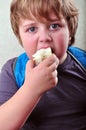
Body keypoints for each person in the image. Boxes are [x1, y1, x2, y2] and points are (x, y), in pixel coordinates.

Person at [0, 0, 86, 129]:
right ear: (20, 37)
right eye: (32, 29)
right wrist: (31, 90)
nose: (44, 37)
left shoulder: (83, 62)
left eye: (54, 26)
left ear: (70, 31)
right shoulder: (13, 71)